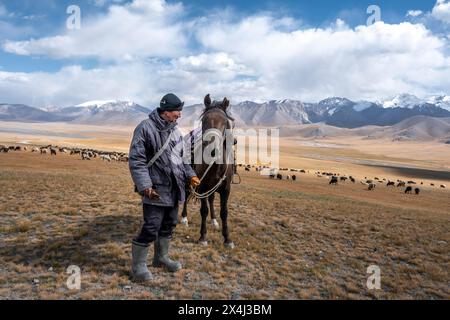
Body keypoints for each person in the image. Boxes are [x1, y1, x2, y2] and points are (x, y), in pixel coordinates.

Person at [128, 93, 200, 282]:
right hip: (155, 190)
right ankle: (138, 267)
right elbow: (137, 160)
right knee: (152, 226)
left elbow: (182, 159)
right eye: (177, 112)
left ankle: (161, 258)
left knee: (169, 225)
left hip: (175, 189)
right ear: (166, 111)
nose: (179, 115)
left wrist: (191, 174)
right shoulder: (145, 128)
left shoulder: (176, 132)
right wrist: (145, 186)